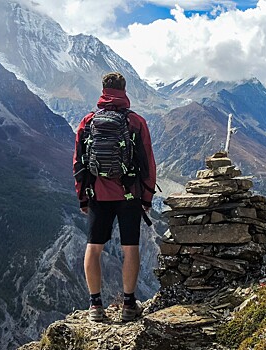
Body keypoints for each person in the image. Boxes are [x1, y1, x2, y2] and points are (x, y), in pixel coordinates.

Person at [73, 72, 156, 322]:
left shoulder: (88, 122)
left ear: (103, 90)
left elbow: (78, 163)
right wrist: (147, 197)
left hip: (98, 193)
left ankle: (95, 306)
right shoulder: (136, 122)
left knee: (94, 247)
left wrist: (83, 197)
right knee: (130, 248)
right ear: (125, 89)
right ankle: (129, 304)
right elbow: (148, 163)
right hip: (129, 194)